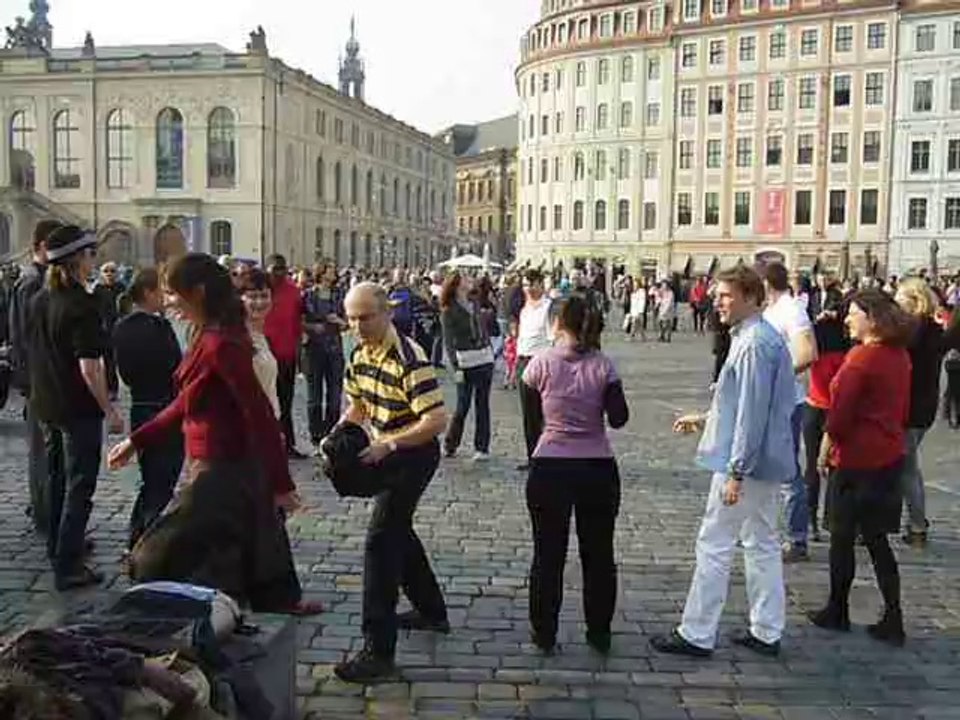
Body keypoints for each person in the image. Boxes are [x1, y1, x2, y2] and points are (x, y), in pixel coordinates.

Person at [107, 253, 316, 615]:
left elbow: (260, 414)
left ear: (198, 292)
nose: (169, 302)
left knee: (160, 550)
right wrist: (137, 440)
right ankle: (264, 601)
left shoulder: (223, 344)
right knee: (248, 533)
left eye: (174, 293)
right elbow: (187, 401)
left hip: (223, 463)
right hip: (214, 459)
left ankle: (236, 604)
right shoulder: (206, 335)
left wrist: (282, 483)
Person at [652, 265, 795, 658]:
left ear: (750, 297)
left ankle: (697, 632)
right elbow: (746, 405)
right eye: (716, 295)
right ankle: (767, 630)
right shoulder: (757, 337)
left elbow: (751, 415)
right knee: (761, 542)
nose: (717, 302)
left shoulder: (753, 344)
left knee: (715, 543)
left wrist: (736, 472)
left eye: (725, 295)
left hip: (746, 463)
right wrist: (706, 418)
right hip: (765, 460)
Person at [332, 282, 449, 684]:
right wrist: (337, 435)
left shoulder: (409, 357)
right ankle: (431, 610)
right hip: (386, 448)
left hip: (414, 452)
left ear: (387, 313)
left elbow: (436, 420)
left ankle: (377, 651)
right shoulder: (358, 354)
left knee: (380, 541)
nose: (357, 326)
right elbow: (357, 406)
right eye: (351, 319)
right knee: (398, 530)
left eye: (365, 318)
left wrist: (390, 444)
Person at [523, 296, 628, 655]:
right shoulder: (603, 365)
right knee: (598, 554)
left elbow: (532, 424)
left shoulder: (539, 364)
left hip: (550, 466)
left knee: (547, 555)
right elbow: (619, 418)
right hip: (597, 467)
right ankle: (599, 631)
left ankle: (544, 633)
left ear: (556, 324)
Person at [808, 289, 913, 647]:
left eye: (854, 313)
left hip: (855, 459)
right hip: (888, 456)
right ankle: (893, 615)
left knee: (841, 538)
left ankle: (837, 609)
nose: (848, 319)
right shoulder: (899, 355)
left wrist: (824, 450)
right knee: (877, 540)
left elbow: (839, 416)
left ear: (873, 318)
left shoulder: (861, 358)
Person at [29, 225, 125, 591]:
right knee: (80, 485)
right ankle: (68, 564)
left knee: (57, 480)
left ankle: (58, 548)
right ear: (75, 260)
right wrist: (110, 409)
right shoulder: (81, 305)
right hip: (76, 408)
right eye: (90, 255)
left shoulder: (41, 299)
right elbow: (90, 368)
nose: (93, 261)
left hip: (47, 403)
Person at [112, 268, 184, 548]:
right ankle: (147, 542)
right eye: (160, 292)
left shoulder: (121, 326)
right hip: (164, 405)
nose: (164, 298)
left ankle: (137, 536)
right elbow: (175, 366)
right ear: (147, 293)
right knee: (162, 482)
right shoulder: (159, 327)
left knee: (150, 479)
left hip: (139, 405)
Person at [8, 219, 61, 536]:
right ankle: (44, 514)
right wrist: (31, 381)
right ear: (42, 246)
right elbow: (25, 338)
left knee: (49, 453)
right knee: (42, 454)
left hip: (45, 380)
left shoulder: (43, 278)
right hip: (38, 381)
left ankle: (46, 508)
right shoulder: (31, 282)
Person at [762, 262, 818, 563]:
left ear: (766, 284)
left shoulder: (791, 310)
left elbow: (808, 352)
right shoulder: (771, 310)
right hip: (766, 399)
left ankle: (797, 538)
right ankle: (761, 530)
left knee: (787, 471)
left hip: (787, 400)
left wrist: (777, 378)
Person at [894, 279, 943, 547]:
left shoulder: (913, 332)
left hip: (910, 407)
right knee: (907, 466)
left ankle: (916, 526)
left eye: (900, 298)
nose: (896, 302)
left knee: (907, 469)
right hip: (925, 406)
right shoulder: (932, 329)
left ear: (914, 301)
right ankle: (914, 523)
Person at [803, 283, 849, 542]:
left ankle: (810, 520)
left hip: (814, 407)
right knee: (836, 469)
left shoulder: (816, 349)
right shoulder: (847, 352)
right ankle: (832, 519)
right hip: (837, 411)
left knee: (811, 467)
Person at [440, 273, 495, 461]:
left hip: (484, 358)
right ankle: (450, 444)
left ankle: (482, 447)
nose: (469, 281)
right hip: (464, 362)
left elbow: (484, 327)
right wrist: (455, 368)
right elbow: (448, 342)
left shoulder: (475, 302)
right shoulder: (448, 310)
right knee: (462, 406)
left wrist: (489, 349)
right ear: (456, 285)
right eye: (465, 279)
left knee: (483, 404)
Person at [264, 254, 306, 458]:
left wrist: (299, 354)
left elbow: (298, 323)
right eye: (275, 270)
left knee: (285, 402)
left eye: (282, 269)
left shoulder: (293, 291)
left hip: (287, 355)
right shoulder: (260, 290)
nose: (279, 274)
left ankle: (288, 444)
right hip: (263, 355)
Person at [302, 262, 346, 451]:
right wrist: (313, 327)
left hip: (334, 349)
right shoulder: (308, 295)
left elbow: (347, 320)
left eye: (334, 269)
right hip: (313, 348)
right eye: (329, 269)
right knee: (314, 395)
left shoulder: (340, 294)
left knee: (335, 394)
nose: (333, 272)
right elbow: (301, 321)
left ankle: (332, 433)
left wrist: (340, 321)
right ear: (321, 273)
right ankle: (316, 435)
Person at [516, 269, 553, 469]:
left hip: (542, 362)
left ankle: (549, 456)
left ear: (540, 284)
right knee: (529, 414)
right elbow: (522, 338)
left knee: (546, 413)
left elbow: (553, 338)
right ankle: (533, 457)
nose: (528, 289)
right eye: (525, 285)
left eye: (531, 284)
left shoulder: (549, 307)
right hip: (524, 361)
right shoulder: (525, 309)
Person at [242, 268, 282, 418]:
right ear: (241, 298)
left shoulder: (262, 336)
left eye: (264, 296)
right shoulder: (239, 337)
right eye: (252, 297)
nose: (259, 302)